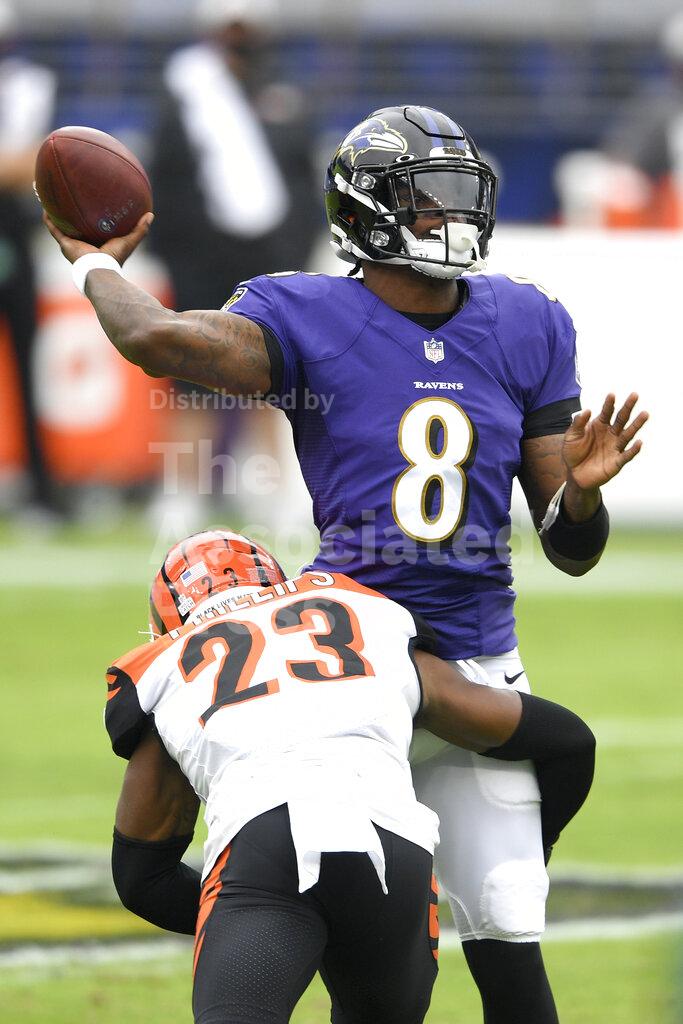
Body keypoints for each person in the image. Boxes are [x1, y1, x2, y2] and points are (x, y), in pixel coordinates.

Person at [45, 104, 648, 1024]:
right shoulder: (306, 314)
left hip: (474, 662)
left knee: (507, 941)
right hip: (347, 674)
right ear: (369, 213)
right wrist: (95, 261)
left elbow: (569, 548)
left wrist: (583, 497)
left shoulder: (525, 320)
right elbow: (156, 340)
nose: (452, 217)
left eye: (459, 196)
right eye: (427, 199)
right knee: (330, 916)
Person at [108, 528, 595, 1024]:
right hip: (397, 855)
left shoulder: (166, 663)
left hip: (265, 846)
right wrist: (539, 842)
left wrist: (266, 921)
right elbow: (571, 741)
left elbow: (142, 878)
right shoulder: (368, 613)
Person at [147, 0, 317, 533]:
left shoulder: (283, 93)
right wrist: (177, 251)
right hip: (200, 256)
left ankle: (273, 493)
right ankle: (183, 492)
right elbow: (166, 177)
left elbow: (302, 180)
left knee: (272, 379)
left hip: (268, 259)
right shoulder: (187, 90)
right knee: (191, 376)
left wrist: (293, 251)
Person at [0, 0, 58, 516]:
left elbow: (30, 164)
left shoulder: (29, 84)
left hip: (13, 236)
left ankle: (41, 489)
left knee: (27, 369)